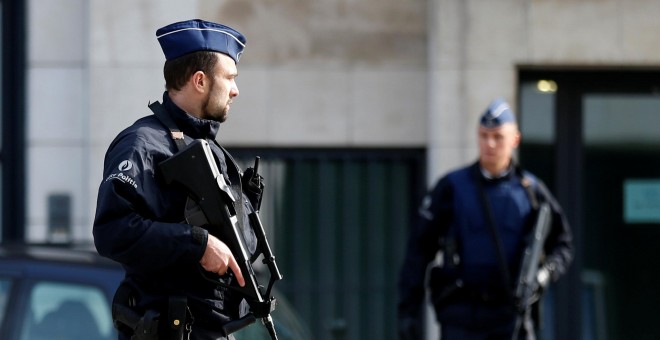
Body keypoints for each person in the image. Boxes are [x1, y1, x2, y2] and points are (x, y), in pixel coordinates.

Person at [93, 19, 263, 340]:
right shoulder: (142, 144)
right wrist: (196, 244)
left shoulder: (213, 152)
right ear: (200, 81)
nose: (236, 90)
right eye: (229, 78)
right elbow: (112, 231)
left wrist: (246, 207)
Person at [397, 98, 573, 340]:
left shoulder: (531, 191)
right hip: (461, 315)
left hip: (511, 316)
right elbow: (419, 250)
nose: (489, 144)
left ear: (515, 140)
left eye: (498, 137)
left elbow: (563, 245)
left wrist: (543, 275)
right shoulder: (452, 187)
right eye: (483, 135)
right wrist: (408, 312)